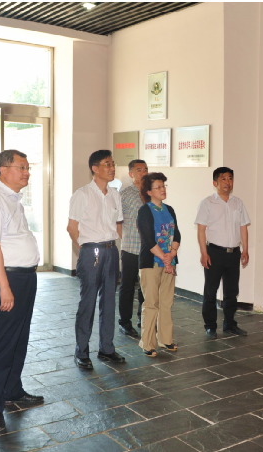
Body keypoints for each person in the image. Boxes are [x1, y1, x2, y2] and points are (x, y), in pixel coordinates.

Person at [0, 150, 44, 432]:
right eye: (22, 167)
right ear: (3, 170)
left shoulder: (13, 199)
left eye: (28, 168)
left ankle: (12, 390)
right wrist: (4, 287)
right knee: (2, 342)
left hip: (24, 278)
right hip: (8, 279)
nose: (27, 172)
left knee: (19, 338)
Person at [67, 150, 126, 369]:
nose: (112, 168)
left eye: (113, 164)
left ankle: (106, 349)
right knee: (88, 302)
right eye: (107, 164)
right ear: (95, 168)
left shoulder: (115, 195)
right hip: (91, 251)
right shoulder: (82, 194)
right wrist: (85, 249)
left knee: (109, 301)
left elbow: (117, 224)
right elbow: (72, 228)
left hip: (111, 250)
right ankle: (82, 351)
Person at [195, 167, 250, 339]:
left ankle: (230, 324)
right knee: (211, 291)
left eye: (230, 178)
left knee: (231, 292)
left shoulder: (238, 203)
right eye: (223, 179)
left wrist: (245, 249)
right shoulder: (207, 203)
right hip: (214, 252)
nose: (227, 182)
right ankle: (210, 326)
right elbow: (201, 231)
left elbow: (243, 227)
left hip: (234, 253)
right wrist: (204, 253)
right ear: (215, 183)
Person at [137, 173, 180, 356]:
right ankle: (147, 343)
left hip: (169, 261)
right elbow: (148, 239)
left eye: (163, 186)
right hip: (151, 263)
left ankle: (165, 339)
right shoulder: (144, 211)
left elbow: (176, 234)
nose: (162, 190)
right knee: (151, 303)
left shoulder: (169, 209)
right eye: (158, 187)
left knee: (166, 302)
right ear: (149, 191)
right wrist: (164, 258)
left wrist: (172, 254)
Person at [119, 159, 148, 336]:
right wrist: (125, 239)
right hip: (130, 248)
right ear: (131, 174)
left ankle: (143, 318)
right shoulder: (124, 194)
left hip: (149, 249)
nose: (143, 173)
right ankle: (125, 322)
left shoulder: (151, 193)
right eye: (139, 170)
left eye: (145, 169)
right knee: (127, 287)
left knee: (146, 286)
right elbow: (118, 221)